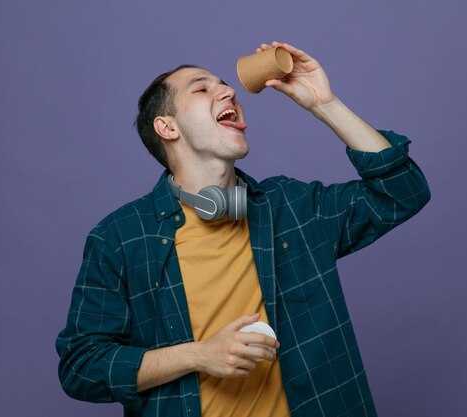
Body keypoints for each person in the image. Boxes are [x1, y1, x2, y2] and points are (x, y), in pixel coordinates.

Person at [56, 41, 430, 417]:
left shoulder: (290, 208)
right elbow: (81, 367)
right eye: (202, 88)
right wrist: (198, 355)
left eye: (224, 84)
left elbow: (402, 192)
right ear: (167, 127)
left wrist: (324, 103)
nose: (230, 90)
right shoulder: (120, 237)